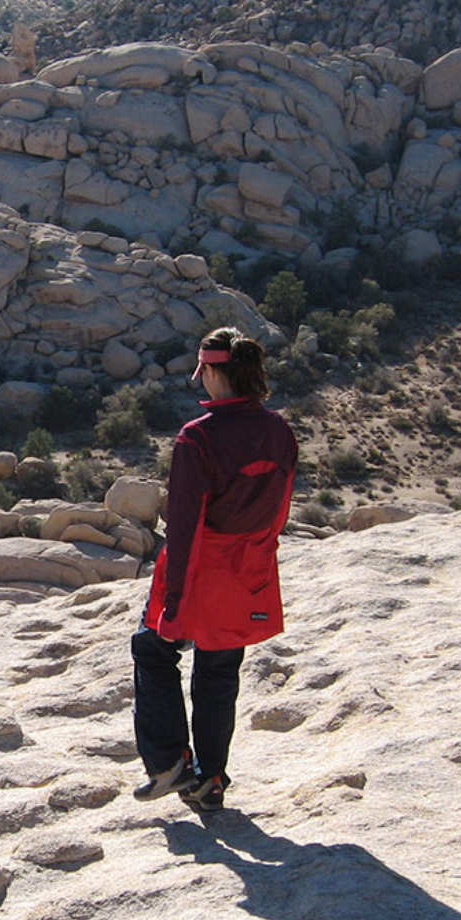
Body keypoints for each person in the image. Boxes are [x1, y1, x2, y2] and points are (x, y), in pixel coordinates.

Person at [131, 327, 298, 813]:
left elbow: (183, 527)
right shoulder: (279, 430)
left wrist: (175, 600)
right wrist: (261, 561)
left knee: (153, 647)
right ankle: (211, 779)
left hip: (202, 565)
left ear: (209, 371)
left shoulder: (197, 438)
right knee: (219, 668)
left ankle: (169, 763)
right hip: (249, 565)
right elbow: (281, 506)